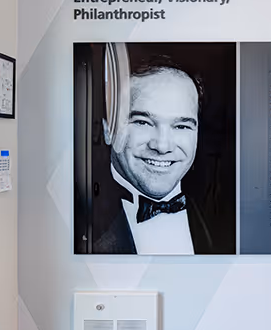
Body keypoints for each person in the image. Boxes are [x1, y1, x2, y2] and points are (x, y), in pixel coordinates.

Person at [92, 55, 215, 254]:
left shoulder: (222, 220)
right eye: (143, 122)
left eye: (181, 126)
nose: (162, 146)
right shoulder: (74, 220)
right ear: (108, 130)